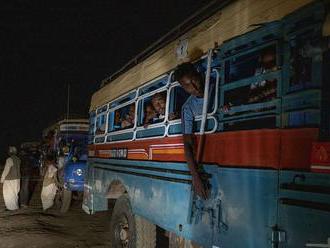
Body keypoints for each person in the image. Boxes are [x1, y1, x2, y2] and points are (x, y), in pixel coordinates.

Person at [173, 62, 208, 199]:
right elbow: (187, 144)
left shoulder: (216, 86)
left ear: (199, 75)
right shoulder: (187, 108)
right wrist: (195, 177)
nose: (193, 87)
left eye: (194, 80)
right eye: (187, 85)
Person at [0, 146, 21, 210]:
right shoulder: (18, 159)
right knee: (15, 193)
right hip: (17, 179)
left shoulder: (9, 159)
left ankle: (11, 208)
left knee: (8, 194)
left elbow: (6, 170)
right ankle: (15, 206)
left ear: (10, 152)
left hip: (10, 180)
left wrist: (1, 180)